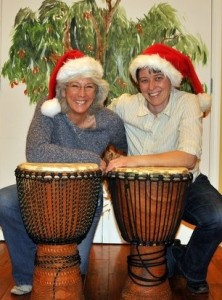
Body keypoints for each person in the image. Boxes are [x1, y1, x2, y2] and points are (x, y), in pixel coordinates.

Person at [0, 49, 127, 295]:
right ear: (63, 89)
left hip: (85, 196)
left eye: (89, 86)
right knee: (4, 200)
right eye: (74, 86)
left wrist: (120, 164)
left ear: (97, 90)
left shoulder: (108, 120)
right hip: (41, 188)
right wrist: (91, 159)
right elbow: (35, 151)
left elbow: (129, 147)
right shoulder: (48, 110)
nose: (81, 94)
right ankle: (26, 274)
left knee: (74, 272)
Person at [106, 43, 222, 295]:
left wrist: (133, 161)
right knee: (162, 271)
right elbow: (97, 122)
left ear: (171, 79)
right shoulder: (126, 104)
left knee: (218, 217)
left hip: (187, 184)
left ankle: (191, 269)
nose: (151, 87)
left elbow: (188, 158)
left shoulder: (188, 103)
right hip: (144, 192)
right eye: (144, 80)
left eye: (158, 78)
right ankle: (171, 249)